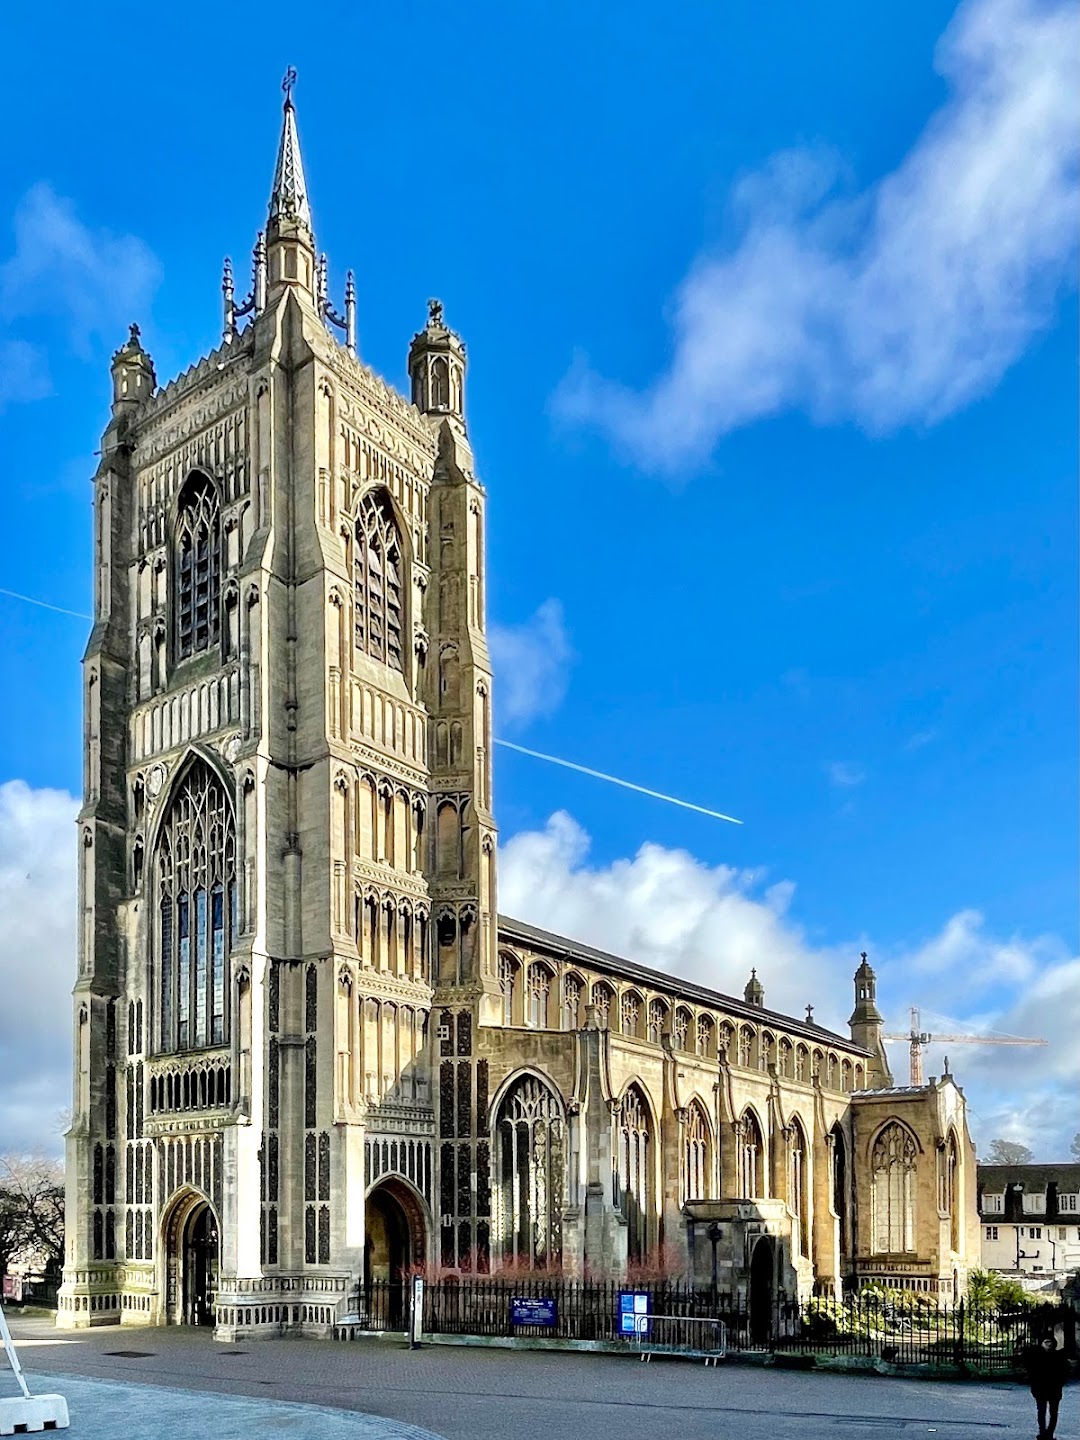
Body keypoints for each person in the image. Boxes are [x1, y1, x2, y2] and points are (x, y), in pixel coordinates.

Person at [1023, 1332, 1069, 1439]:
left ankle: (1050, 1433)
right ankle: (1042, 1432)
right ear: (1042, 1343)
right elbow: (1030, 1370)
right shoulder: (1036, 1356)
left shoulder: (1058, 1356)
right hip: (1040, 1389)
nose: (1049, 1344)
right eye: (1046, 1342)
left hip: (1054, 1389)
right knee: (1041, 1411)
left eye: (1050, 1342)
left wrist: (1060, 1383)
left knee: (1053, 1413)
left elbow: (1065, 1371)